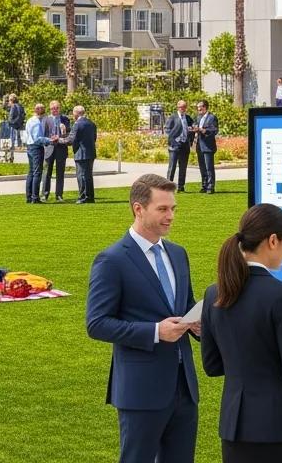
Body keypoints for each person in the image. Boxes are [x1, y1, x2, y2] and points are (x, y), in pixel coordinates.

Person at [86, 174, 200, 463]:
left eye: (173, 208)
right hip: (140, 391)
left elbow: (185, 305)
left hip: (184, 388)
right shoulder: (111, 260)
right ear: (139, 209)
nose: (171, 216)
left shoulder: (178, 254)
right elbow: (97, 323)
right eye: (163, 209)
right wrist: (154, 331)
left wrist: (197, 325)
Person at [200, 204, 282, 463]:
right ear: (272, 241)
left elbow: (212, 365)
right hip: (280, 428)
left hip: (235, 427)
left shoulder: (213, 293)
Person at [22, 103, 55, 204]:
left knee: (31, 172)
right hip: (36, 147)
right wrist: (50, 140)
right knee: (37, 172)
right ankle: (35, 197)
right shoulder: (36, 123)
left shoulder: (29, 120)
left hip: (29, 146)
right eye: (43, 111)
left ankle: (29, 196)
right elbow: (38, 138)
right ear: (39, 111)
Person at [41, 100, 71, 202]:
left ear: (60, 108)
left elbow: (70, 135)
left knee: (60, 173)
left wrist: (64, 131)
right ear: (50, 109)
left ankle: (59, 195)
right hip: (50, 148)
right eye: (53, 108)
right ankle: (45, 194)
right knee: (46, 172)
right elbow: (43, 135)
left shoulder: (65, 119)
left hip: (61, 149)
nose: (55, 110)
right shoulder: (46, 119)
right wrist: (49, 140)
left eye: (57, 108)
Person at [71, 104, 98, 204]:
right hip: (90, 152)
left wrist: (58, 140)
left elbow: (71, 139)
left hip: (80, 153)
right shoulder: (91, 123)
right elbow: (94, 138)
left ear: (76, 113)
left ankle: (83, 197)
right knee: (88, 176)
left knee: (81, 175)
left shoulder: (77, 124)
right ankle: (90, 196)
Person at [165, 100, 193, 192]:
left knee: (183, 167)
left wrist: (191, 141)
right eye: (181, 107)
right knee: (172, 167)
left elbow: (192, 128)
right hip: (174, 145)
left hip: (185, 145)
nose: (183, 109)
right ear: (178, 107)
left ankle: (181, 186)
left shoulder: (188, 118)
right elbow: (167, 129)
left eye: (184, 107)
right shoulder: (173, 117)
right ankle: (169, 187)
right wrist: (173, 140)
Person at [192, 100, 218, 194]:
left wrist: (203, 130)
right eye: (197, 107)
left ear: (205, 107)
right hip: (199, 145)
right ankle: (204, 185)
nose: (198, 109)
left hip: (208, 146)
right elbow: (194, 123)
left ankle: (211, 187)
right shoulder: (198, 117)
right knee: (202, 167)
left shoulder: (212, 117)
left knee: (209, 168)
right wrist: (194, 127)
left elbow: (214, 130)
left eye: (200, 107)